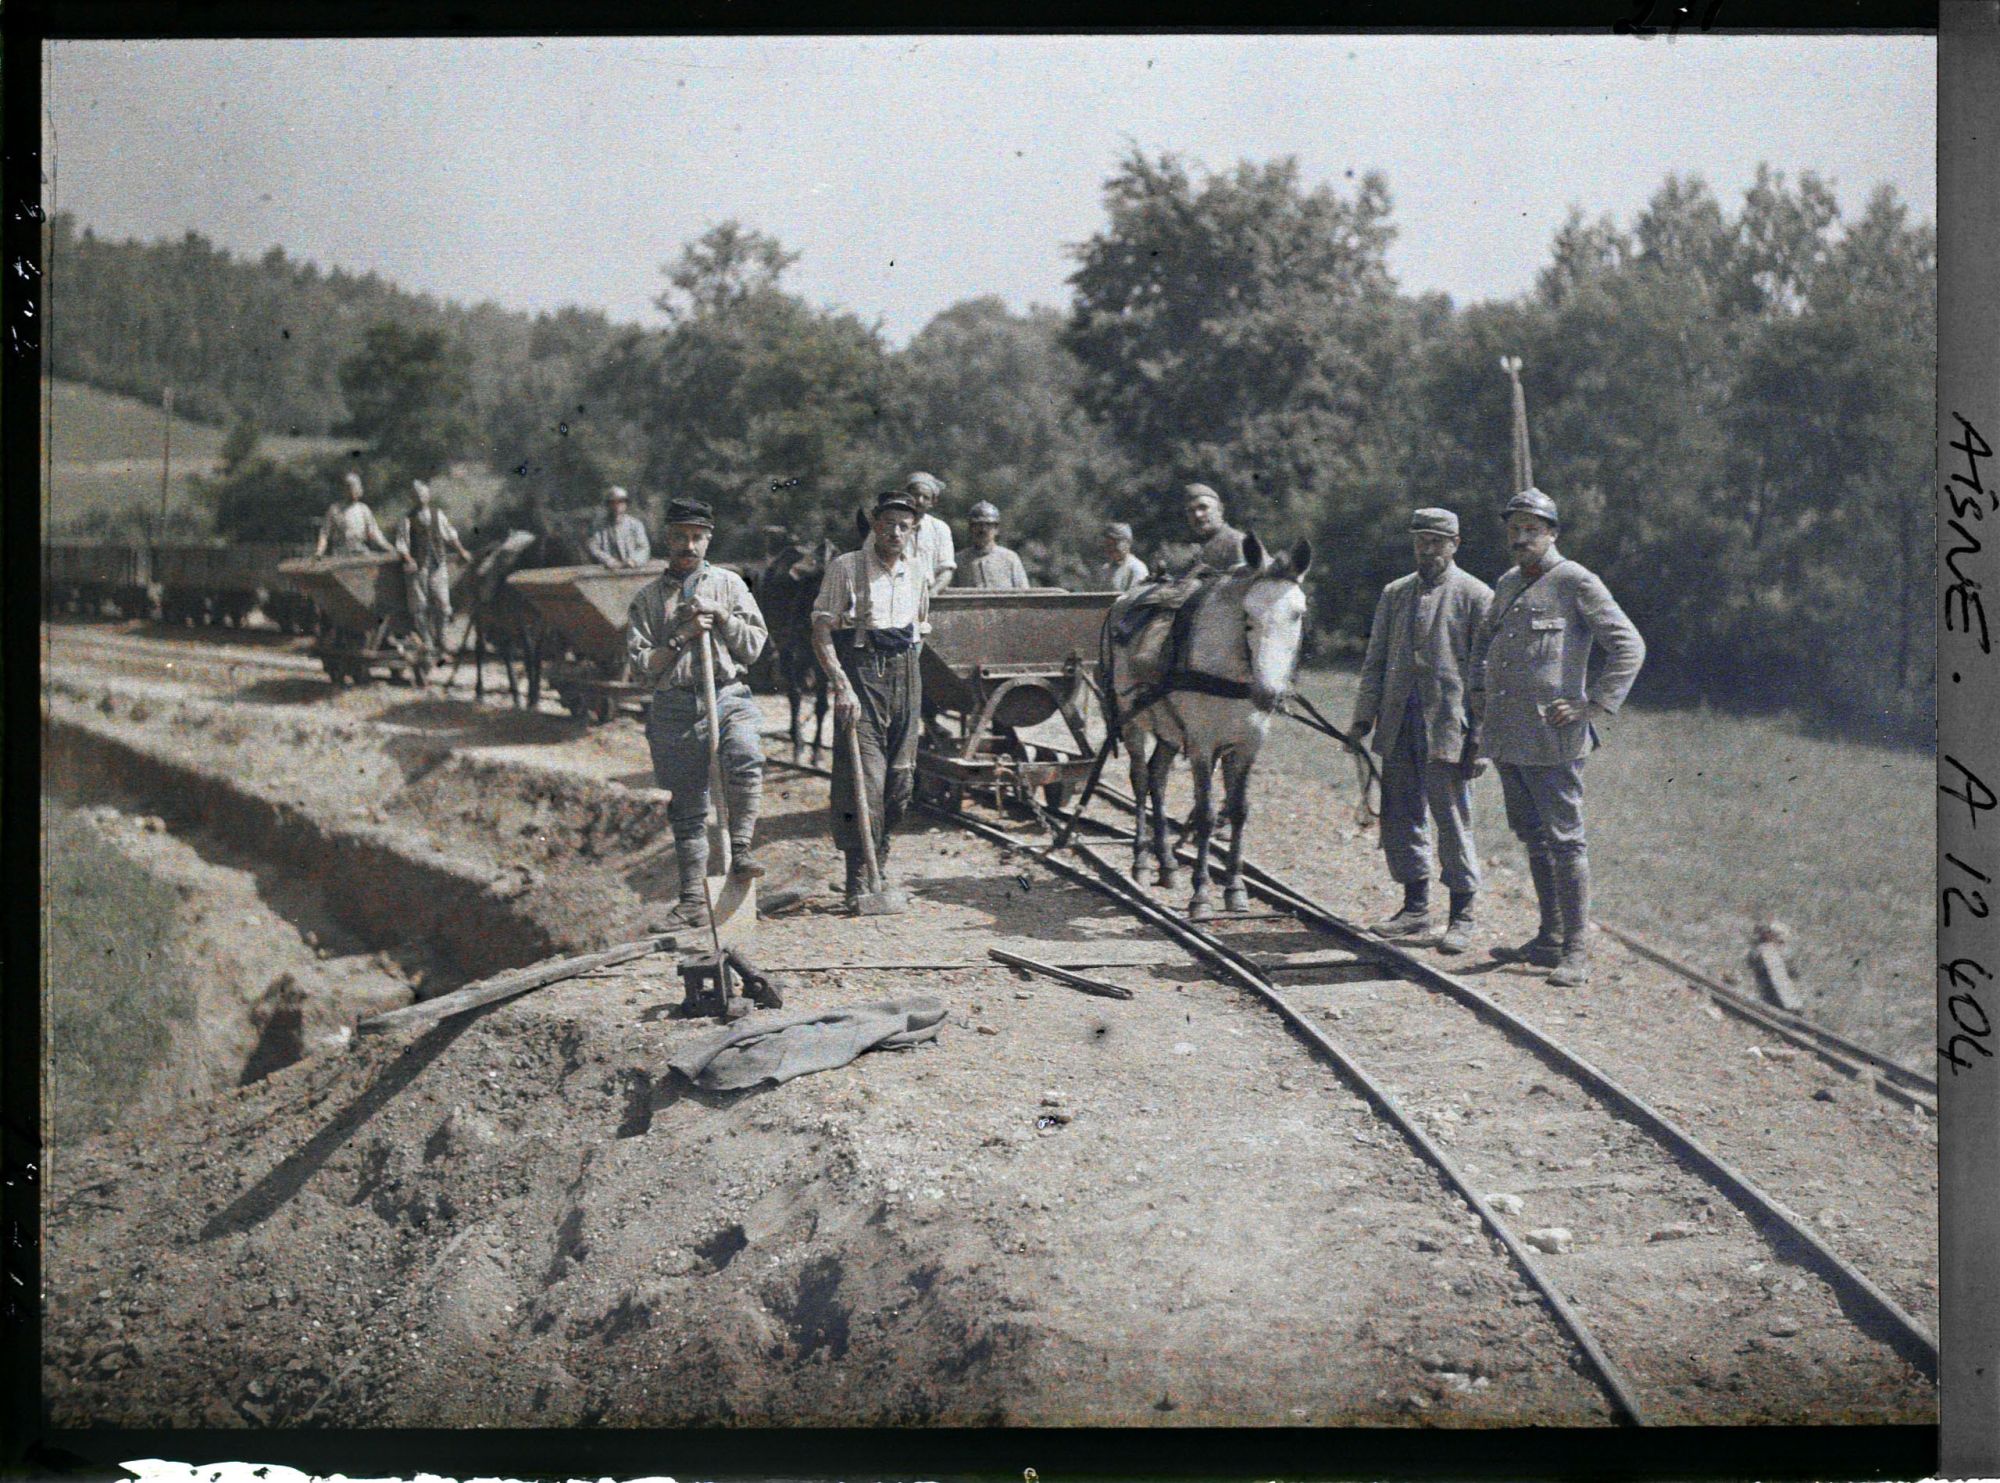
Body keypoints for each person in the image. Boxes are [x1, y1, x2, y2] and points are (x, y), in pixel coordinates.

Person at [1467, 488, 1645, 987]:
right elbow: (1483, 645)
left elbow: (1629, 646)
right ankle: (1548, 939)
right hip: (1507, 735)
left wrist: (1593, 704)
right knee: (1532, 836)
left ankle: (1577, 951)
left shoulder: (1575, 581)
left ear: (1552, 534)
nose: (1521, 539)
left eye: (1532, 530)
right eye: (1514, 530)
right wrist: (1478, 696)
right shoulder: (1505, 583)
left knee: (1566, 841)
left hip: (1553, 737)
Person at [1350, 508, 1494, 954]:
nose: (1427, 551)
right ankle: (1414, 908)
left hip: (1450, 728)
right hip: (1398, 724)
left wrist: (1482, 739)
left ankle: (1462, 915)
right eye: (1420, 542)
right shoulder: (1395, 594)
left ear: (1454, 544)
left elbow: (1486, 673)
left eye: (1436, 542)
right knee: (1400, 815)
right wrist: (1362, 718)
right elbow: (1375, 661)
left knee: (1451, 819)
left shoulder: (1475, 595)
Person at [627, 497, 771, 926]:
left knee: (746, 755)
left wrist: (723, 617)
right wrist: (681, 636)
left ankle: (742, 853)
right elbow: (640, 668)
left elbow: (754, 647)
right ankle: (692, 898)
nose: (688, 545)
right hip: (674, 704)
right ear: (666, 540)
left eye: (696, 537)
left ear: (708, 540)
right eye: (679, 537)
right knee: (688, 802)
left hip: (727, 695)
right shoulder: (649, 599)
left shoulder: (730, 585)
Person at [811, 490, 932, 912]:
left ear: (913, 531)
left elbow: (919, 631)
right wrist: (841, 684)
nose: (895, 533)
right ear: (875, 525)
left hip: (907, 675)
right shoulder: (846, 568)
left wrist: (913, 688)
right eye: (888, 524)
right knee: (865, 780)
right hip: (863, 674)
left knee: (900, 782)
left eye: (905, 526)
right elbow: (822, 630)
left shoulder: (918, 571)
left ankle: (880, 861)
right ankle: (858, 875)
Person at [392, 480, 473, 655]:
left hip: (437, 563)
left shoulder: (438, 515)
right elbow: (401, 544)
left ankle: (442, 638)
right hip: (417, 566)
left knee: (443, 604)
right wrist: (409, 559)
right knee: (418, 605)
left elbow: (450, 535)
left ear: (428, 496)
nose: (420, 496)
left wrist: (461, 551)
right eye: (416, 494)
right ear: (412, 497)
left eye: (423, 493)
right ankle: (427, 640)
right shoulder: (407, 519)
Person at [315, 471, 396, 558]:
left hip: (361, 551)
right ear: (345, 490)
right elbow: (324, 533)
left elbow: (375, 534)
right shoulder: (334, 509)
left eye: (355, 488)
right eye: (349, 488)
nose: (353, 492)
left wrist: (390, 548)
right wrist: (319, 552)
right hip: (341, 553)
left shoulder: (363, 509)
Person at [953, 501, 1031, 589]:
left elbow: (1023, 592)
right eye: (978, 525)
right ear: (971, 529)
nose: (983, 530)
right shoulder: (959, 560)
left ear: (996, 529)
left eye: (988, 525)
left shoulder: (1010, 558)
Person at [903, 472, 958, 594]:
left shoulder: (940, 529)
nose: (919, 501)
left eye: (925, 497)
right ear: (906, 496)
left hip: (928, 594)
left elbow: (947, 569)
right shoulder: (889, 524)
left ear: (933, 502)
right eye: (915, 495)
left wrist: (933, 592)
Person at [587, 486, 652, 568]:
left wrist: (634, 560)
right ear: (607, 505)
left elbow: (644, 548)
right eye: (613, 502)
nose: (617, 505)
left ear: (626, 504)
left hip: (633, 571)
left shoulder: (636, 524)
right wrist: (608, 560)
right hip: (607, 572)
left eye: (621, 502)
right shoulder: (598, 526)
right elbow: (593, 548)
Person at [1094, 521, 1149, 592]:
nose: (1111, 549)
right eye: (1108, 545)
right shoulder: (1106, 569)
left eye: (1115, 544)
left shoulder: (1137, 568)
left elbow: (1136, 598)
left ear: (1127, 543)